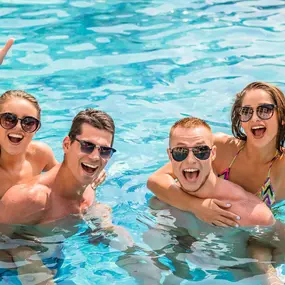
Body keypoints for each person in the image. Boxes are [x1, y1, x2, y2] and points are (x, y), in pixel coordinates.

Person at [118, 117, 278, 285]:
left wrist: (269, 276)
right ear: (170, 155)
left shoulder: (250, 213)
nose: (190, 160)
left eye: (201, 151)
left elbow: (268, 248)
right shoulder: (163, 200)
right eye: (180, 152)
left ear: (213, 153)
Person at [0, 108, 132, 284]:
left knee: (129, 247)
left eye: (105, 150)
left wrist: (101, 224)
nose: (95, 157)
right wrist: (23, 255)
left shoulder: (88, 192)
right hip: (12, 273)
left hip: (56, 261)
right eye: (87, 146)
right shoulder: (31, 198)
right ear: (67, 145)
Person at [147, 82, 285, 227]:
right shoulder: (221, 146)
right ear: (240, 120)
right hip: (200, 224)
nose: (255, 118)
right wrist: (196, 206)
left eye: (264, 110)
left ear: (282, 117)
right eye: (246, 112)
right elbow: (156, 180)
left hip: (251, 233)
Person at [0, 90, 58, 198]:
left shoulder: (40, 154)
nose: (18, 127)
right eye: (8, 119)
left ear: (36, 129)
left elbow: (67, 180)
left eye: (28, 122)